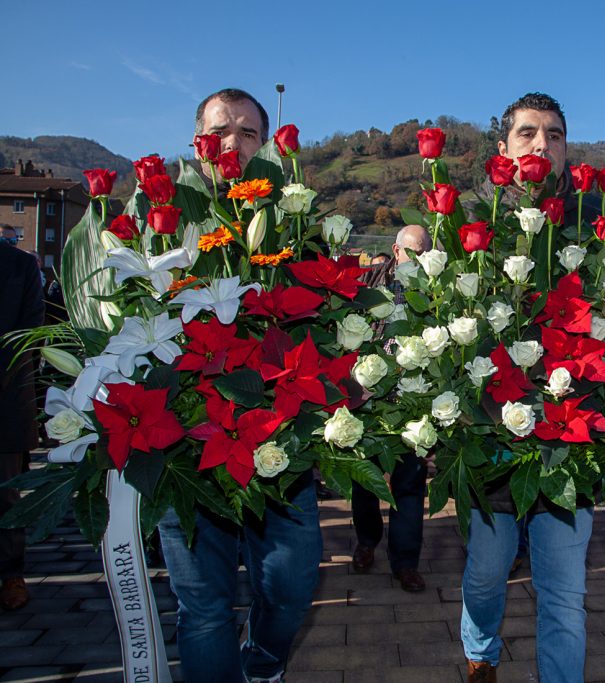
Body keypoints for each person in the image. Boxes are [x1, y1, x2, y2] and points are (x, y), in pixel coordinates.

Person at [157, 89, 322, 683]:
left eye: (249, 133)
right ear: (197, 141)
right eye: (220, 130)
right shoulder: (159, 220)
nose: (233, 142)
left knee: (292, 587)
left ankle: (265, 660)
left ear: (267, 147)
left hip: (278, 443)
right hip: (185, 442)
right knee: (203, 611)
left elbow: (322, 325)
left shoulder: (296, 220)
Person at [461, 92, 599, 683]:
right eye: (528, 133)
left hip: (572, 433)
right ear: (504, 147)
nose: (542, 144)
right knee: (488, 574)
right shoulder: (469, 215)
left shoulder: (595, 221)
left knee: (564, 592)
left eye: (555, 135)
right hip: (495, 433)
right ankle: (481, 651)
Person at [350, 225, 431, 593]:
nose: (418, 259)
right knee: (365, 480)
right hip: (368, 394)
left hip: (412, 397)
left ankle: (405, 563)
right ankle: (366, 542)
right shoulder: (368, 283)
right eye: (412, 252)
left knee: (410, 485)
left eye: (424, 252)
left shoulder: (435, 288)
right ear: (396, 250)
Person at [0, 228, 44, 611]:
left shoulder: (18, 265)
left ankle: (11, 574)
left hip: (6, 397)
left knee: (6, 495)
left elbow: (32, 334)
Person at [194, 87, 269, 179]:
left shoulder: (285, 192)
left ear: (265, 146)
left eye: (247, 135)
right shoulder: (175, 193)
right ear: (197, 146)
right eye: (219, 133)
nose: (233, 144)